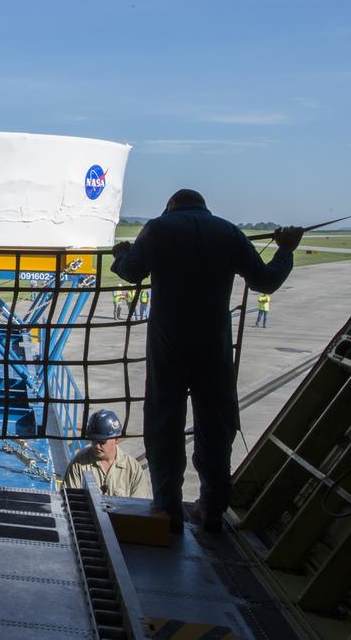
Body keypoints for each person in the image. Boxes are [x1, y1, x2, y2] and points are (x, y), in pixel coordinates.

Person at [111, 189, 302, 532]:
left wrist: (121, 253)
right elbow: (266, 281)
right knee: (216, 424)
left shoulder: (158, 229)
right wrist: (285, 250)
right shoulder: (228, 231)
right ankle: (212, 507)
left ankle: (167, 508)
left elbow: (131, 273)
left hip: (169, 344)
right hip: (214, 343)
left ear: (170, 206)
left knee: (164, 424)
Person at [63, 409, 150, 498]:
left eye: (102, 442)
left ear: (116, 439)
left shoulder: (133, 469)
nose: (96, 445)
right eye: (93, 440)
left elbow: (140, 506)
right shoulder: (79, 463)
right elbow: (70, 501)